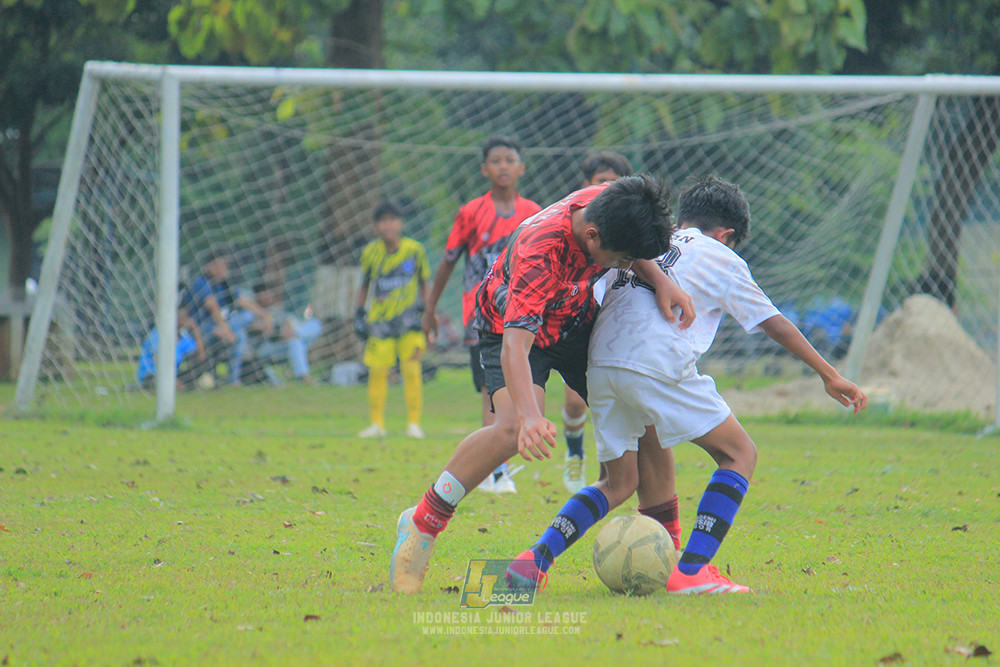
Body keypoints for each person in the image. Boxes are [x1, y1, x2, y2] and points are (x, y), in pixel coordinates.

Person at [505, 175, 868, 595]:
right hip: (655, 361)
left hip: (600, 363)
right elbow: (774, 322)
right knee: (739, 453)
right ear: (727, 234)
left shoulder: (643, 241)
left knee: (618, 481)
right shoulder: (721, 256)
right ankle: (692, 570)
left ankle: (533, 560)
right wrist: (830, 374)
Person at [389, 174, 694, 594]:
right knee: (512, 429)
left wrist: (663, 281)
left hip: (573, 322)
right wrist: (532, 417)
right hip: (509, 331)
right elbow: (516, 345)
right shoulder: (542, 253)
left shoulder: (607, 205)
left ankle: (668, 553)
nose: (623, 267)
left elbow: (630, 245)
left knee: (643, 412)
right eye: (619, 260)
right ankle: (423, 521)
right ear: (592, 236)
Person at [422, 135, 542, 494]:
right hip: (483, 317)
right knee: (492, 388)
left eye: (510, 160)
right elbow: (447, 262)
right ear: (484, 169)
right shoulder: (471, 212)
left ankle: (500, 465)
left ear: (521, 167)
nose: (503, 166)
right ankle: (496, 469)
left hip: (523, 314)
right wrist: (429, 309)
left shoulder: (533, 213)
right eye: (496, 160)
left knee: (521, 382)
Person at [560, 150, 635, 494]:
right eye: (600, 182)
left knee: (615, 401)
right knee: (576, 401)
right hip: (580, 318)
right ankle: (575, 454)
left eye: (613, 182)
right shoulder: (577, 227)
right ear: (586, 187)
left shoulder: (630, 229)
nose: (606, 188)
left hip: (617, 323)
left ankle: (615, 474)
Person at [355, 200, 431, 439]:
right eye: (383, 221)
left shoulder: (415, 250)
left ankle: (414, 424)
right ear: (376, 225)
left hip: (409, 320)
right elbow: (365, 283)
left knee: (411, 371)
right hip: (380, 321)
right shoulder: (370, 252)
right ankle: (377, 424)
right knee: (377, 372)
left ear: (401, 223)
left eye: (393, 220)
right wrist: (359, 312)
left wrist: (427, 311)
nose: (388, 226)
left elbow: (424, 282)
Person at [177, 245, 270, 387]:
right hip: (199, 329)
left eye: (225, 265)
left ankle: (233, 380)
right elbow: (212, 306)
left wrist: (265, 315)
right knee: (246, 318)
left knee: (240, 335)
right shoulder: (201, 282)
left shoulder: (223, 284)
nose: (223, 269)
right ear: (209, 266)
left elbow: (242, 301)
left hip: (218, 326)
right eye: (220, 265)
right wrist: (225, 328)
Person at [248, 283, 323, 385]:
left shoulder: (277, 310)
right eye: (264, 294)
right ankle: (303, 377)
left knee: (315, 324)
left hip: (287, 341)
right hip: (264, 348)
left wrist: (289, 329)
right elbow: (264, 331)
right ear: (256, 297)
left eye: (269, 294)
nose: (267, 297)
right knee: (295, 341)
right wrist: (279, 333)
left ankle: (298, 333)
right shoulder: (252, 312)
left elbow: (287, 321)